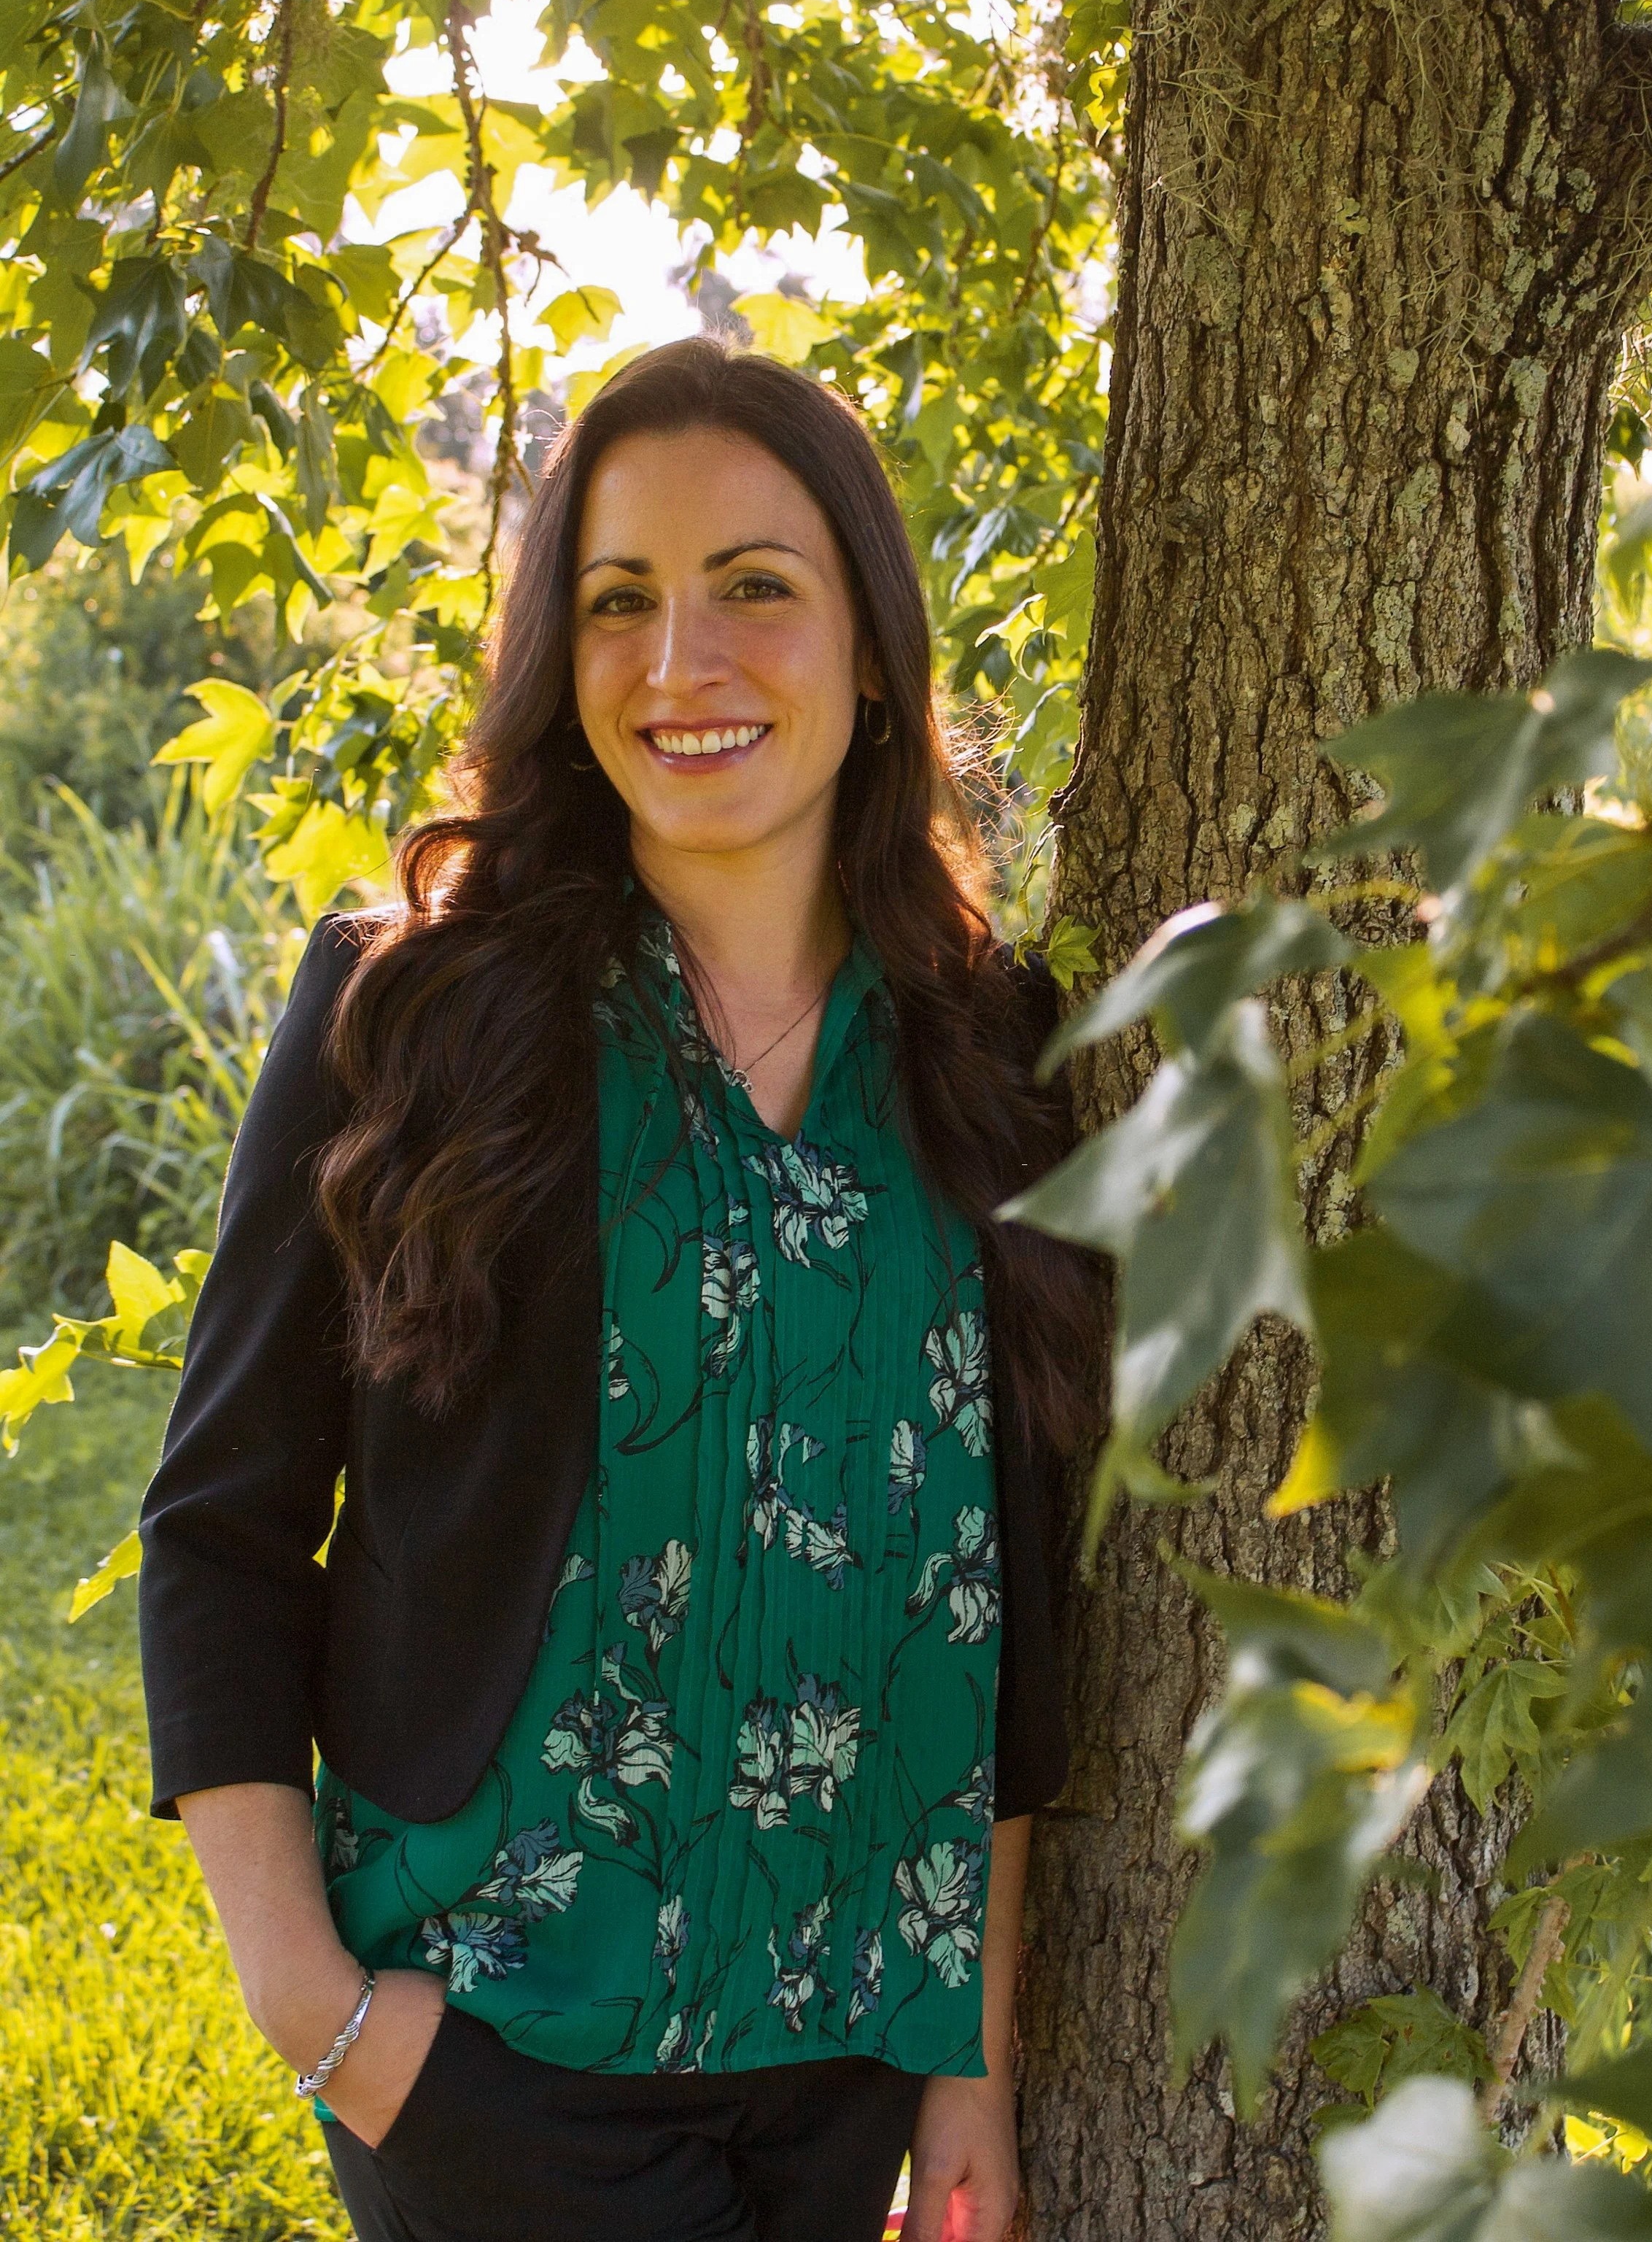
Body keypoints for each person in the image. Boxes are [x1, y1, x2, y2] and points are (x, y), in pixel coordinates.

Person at [139, 338, 1101, 2242]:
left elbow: (1011, 1586)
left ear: (871, 638)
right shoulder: (413, 1011)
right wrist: (317, 2007)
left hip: (844, 2067)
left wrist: (967, 2064)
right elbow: (221, 1525)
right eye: (617, 601)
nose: (682, 664)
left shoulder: (989, 1055)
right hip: (495, 2053)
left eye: (755, 585)